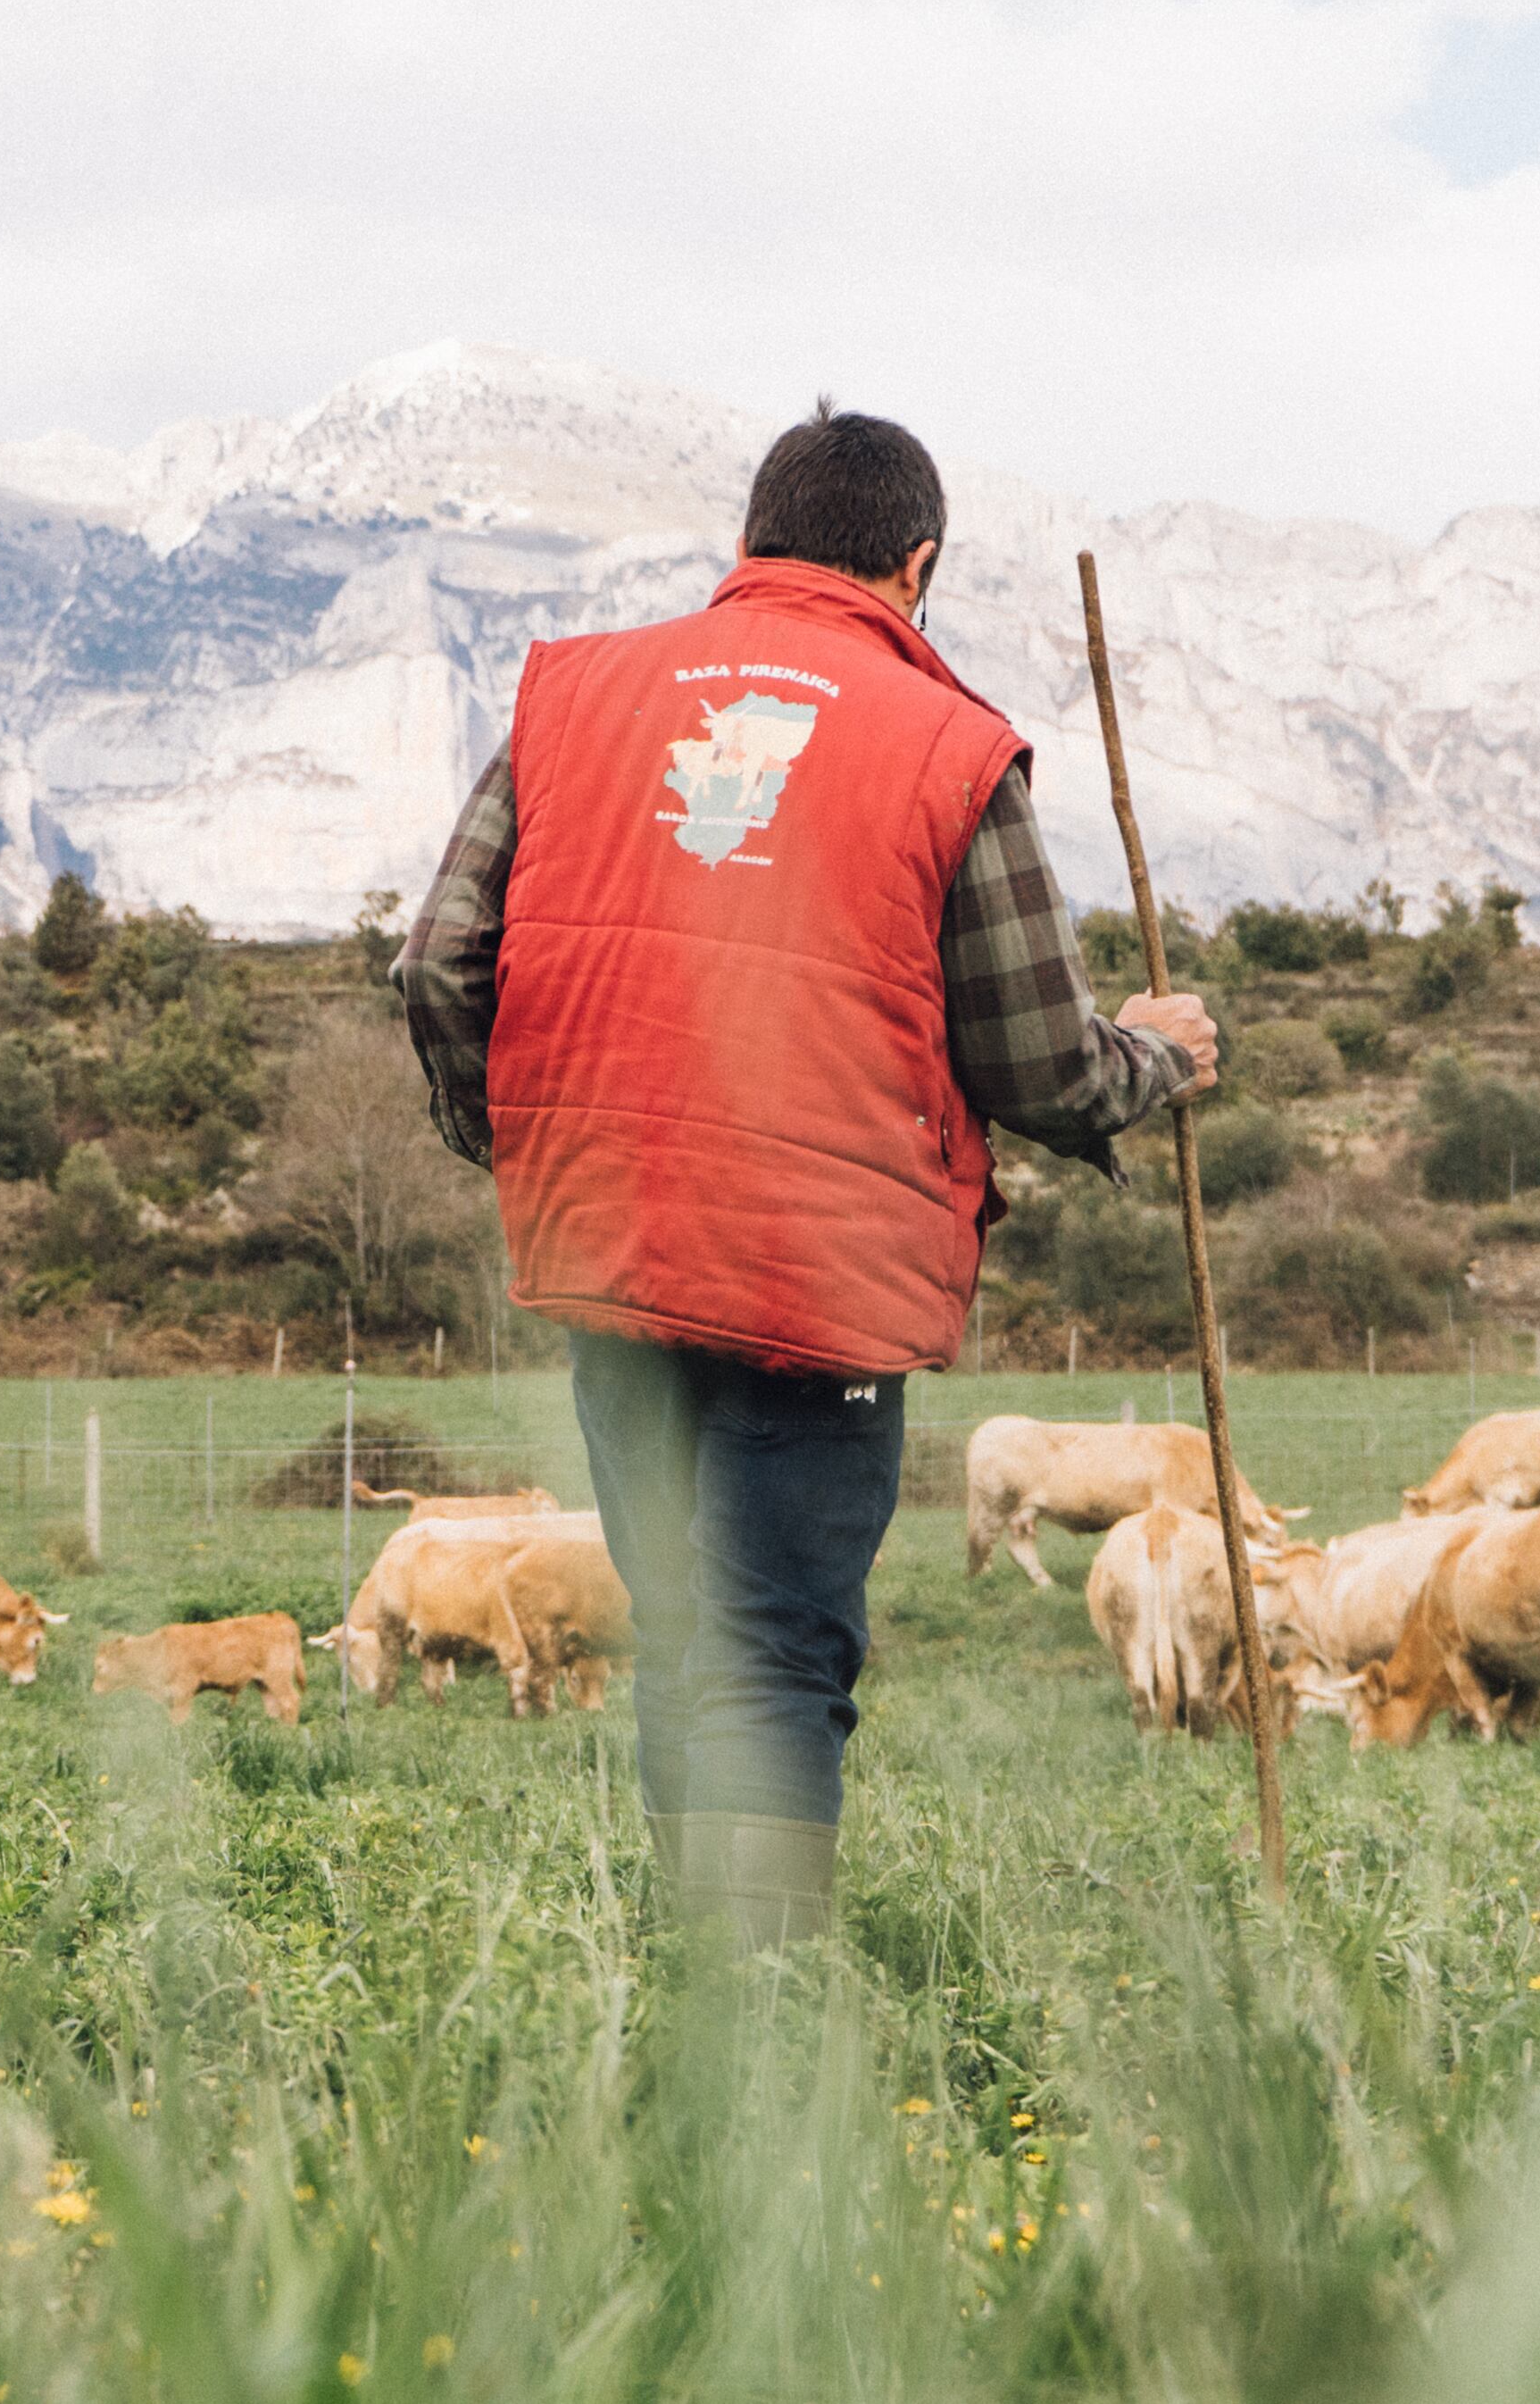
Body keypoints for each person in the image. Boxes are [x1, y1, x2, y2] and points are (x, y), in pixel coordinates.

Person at [395, 405, 1217, 1952]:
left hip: (616, 1260)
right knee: (775, 1648)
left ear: (751, 542)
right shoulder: (954, 748)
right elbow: (1041, 1060)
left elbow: (438, 963)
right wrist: (1161, 1054)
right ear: (917, 567)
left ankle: (693, 1992)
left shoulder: (573, 701)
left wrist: (529, 1141)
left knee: (685, 1636)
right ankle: (756, 2010)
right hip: (821, 1289)